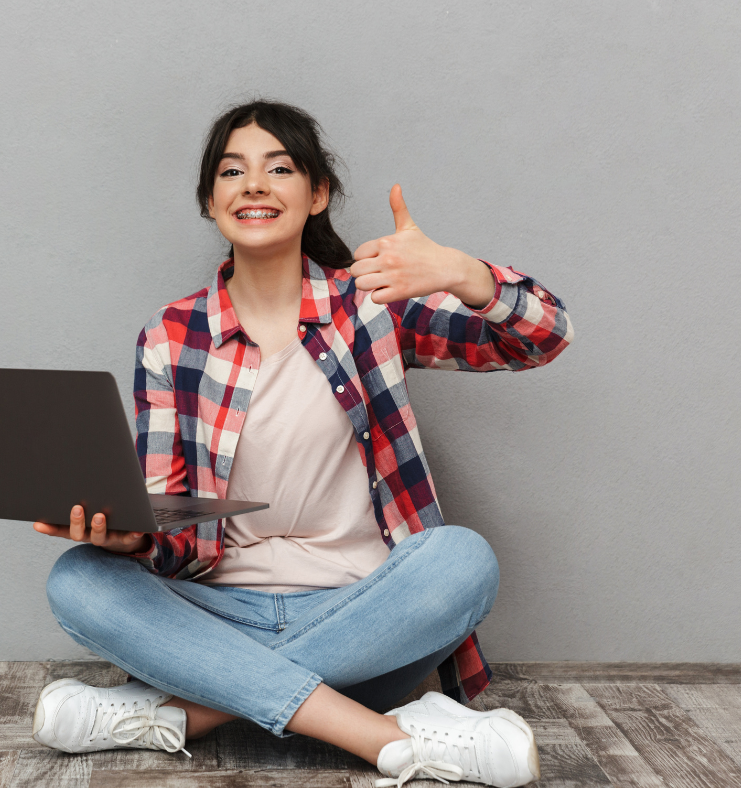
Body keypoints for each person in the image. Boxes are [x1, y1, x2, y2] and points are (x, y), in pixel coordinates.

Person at [30, 100, 573, 787]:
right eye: (232, 171)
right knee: (79, 578)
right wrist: (130, 538)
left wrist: (464, 272)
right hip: (215, 614)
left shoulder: (370, 305)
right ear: (210, 200)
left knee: (464, 559)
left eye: (279, 168)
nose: (253, 184)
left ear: (316, 195)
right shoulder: (171, 336)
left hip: (366, 615)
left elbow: (543, 337)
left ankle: (182, 713)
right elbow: (170, 518)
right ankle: (388, 735)